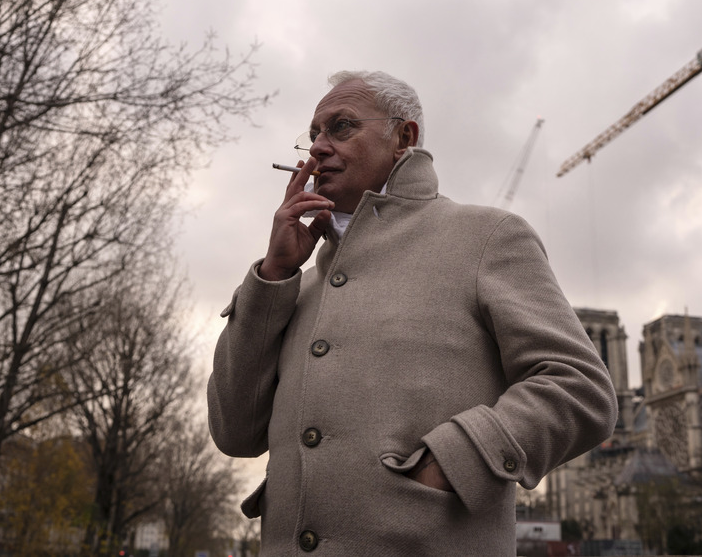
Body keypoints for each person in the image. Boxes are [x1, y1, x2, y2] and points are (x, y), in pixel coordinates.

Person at [208, 70, 617, 555]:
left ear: (404, 137)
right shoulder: (294, 285)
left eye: (341, 127)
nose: (317, 147)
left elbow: (580, 386)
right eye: (314, 133)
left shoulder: (485, 237)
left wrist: (457, 460)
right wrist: (273, 276)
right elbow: (235, 434)